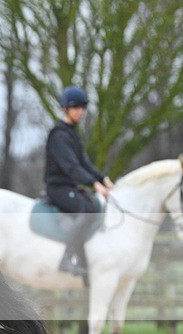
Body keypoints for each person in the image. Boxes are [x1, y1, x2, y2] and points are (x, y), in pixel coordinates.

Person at [44, 86, 114, 277]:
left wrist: (103, 179)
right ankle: (66, 258)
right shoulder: (59, 135)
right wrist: (94, 184)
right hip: (57, 187)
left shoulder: (72, 133)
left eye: (82, 107)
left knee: (91, 206)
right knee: (85, 210)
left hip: (70, 187)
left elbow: (83, 162)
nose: (80, 112)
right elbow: (71, 167)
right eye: (76, 107)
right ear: (65, 108)